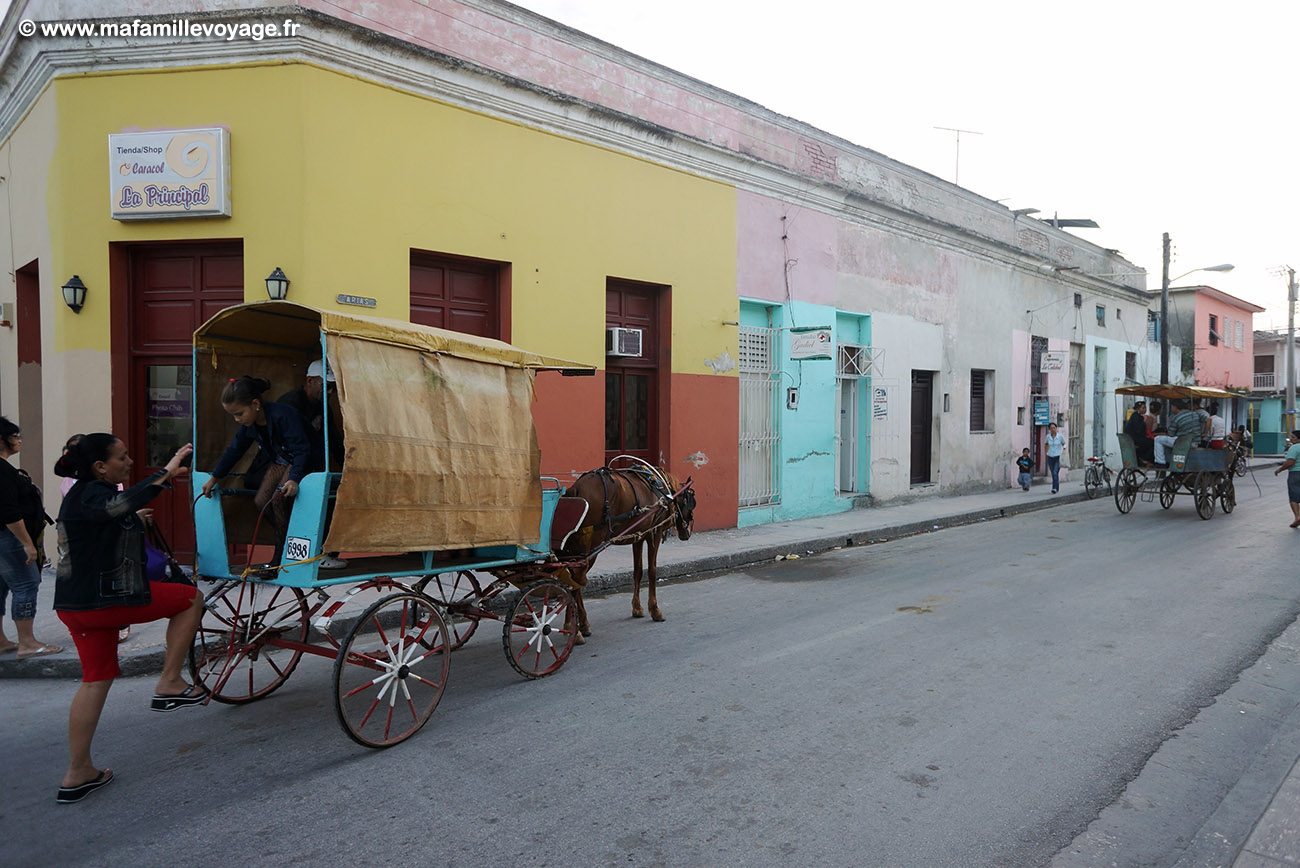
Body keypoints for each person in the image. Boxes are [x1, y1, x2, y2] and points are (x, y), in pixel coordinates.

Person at [52, 434, 204, 803]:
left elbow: (111, 516)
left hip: (75, 607)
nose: (129, 461)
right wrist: (167, 472)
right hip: (104, 602)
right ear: (99, 467)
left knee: (95, 680)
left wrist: (134, 517)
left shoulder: (85, 496)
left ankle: (78, 772)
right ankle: (169, 681)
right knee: (190, 598)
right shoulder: (91, 492)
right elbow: (121, 502)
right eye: (122, 457)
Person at [200, 376, 322, 564]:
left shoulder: (283, 415)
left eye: (239, 413)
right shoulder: (250, 425)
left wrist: (294, 479)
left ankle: (280, 556)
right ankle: (290, 535)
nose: (237, 419)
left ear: (255, 404)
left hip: (303, 460)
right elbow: (234, 451)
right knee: (261, 500)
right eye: (233, 415)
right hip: (281, 460)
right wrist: (214, 478)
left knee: (277, 501)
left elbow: (302, 449)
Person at [0, 417, 63, 658]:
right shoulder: (3, 470)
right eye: (15, 436)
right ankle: (27, 642)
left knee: (2, 586)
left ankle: (2, 641)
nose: (19, 441)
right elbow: (9, 512)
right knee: (26, 584)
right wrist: (27, 544)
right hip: (9, 537)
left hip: (4, 538)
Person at [278, 359, 346, 569]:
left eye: (333, 388)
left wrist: (347, 466)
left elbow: (333, 438)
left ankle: (321, 551)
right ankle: (313, 552)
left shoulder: (323, 407)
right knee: (325, 498)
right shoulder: (291, 404)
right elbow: (291, 445)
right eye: (326, 386)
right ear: (309, 381)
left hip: (306, 469)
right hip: (287, 466)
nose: (330, 393)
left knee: (336, 494)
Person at [1153, 398, 1203, 466]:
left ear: (1175, 407)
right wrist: (1205, 432)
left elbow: (1171, 434)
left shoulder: (1176, 417)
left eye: (1171, 407)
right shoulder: (1194, 414)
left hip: (1183, 443)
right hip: (1195, 442)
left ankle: (1160, 463)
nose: (1171, 409)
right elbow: (1208, 419)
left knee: (1158, 439)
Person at [1275, 430, 1300, 529]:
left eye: (1293, 437)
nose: (1291, 439)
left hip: (1295, 474)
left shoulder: (1294, 448)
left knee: (1294, 496)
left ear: (1298, 438)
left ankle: (1297, 517)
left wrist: (1280, 469)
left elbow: (1290, 462)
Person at [1044, 422, 1066, 494]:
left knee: (1055, 472)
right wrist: (1046, 453)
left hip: (1058, 456)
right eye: (1051, 428)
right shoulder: (1048, 437)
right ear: (1049, 429)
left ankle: (1054, 488)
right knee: (1053, 473)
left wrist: (1064, 449)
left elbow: (1063, 443)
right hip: (1050, 456)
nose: (1053, 429)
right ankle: (1056, 486)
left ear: (1056, 428)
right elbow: (1046, 444)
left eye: (1054, 428)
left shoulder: (1060, 436)